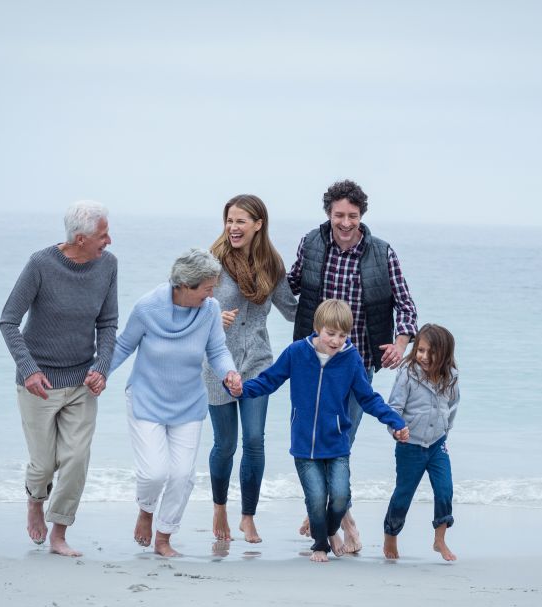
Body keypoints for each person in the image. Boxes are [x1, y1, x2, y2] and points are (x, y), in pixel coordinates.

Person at [287, 179, 418, 551]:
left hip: (357, 364)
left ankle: (332, 518)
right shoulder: (312, 243)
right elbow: (291, 284)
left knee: (341, 442)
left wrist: (400, 343)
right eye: (338, 215)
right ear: (328, 214)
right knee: (319, 441)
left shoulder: (382, 253)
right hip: (313, 364)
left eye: (353, 216)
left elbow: (406, 306)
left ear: (362, 216)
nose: (345, 223)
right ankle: (334, 521)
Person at [227, 299, 409, 562]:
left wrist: (395, 421)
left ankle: (328, 529)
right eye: (330, 334)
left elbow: (368, 398)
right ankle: (320, 545)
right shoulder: (297, 353)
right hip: (304, 444)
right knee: (315, 498)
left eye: (343, 335)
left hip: (336, 444)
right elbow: (269, 380)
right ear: (317, 328)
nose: (336, 341)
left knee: (339, 497)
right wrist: (242, 389)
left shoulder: (351, 359)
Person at [0, 200, 118, 557]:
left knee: (77, 459)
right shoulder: (40, 265)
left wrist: (102, 367)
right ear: (80, 239)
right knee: (43, 463)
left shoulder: (108, 266)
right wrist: (29, 369)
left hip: (82, 381)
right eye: (102, 234)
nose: (109, 240)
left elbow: (108, 323)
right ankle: (36, 500)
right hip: (38, 383)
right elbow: (8, 321)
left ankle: (59, 532)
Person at [109, 248, 241, 557]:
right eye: (207, 288)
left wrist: (230, 373)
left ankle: (164, 537)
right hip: (146, 398)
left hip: (188, 403)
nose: (212, 294)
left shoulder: (209, 310)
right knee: (154, 473)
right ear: (185, 286)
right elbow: (124, 345)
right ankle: (146, 510)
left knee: (182, 476)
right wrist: (99, 375)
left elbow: (217, 351)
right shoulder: (148, 308)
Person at [203, 194, 297, 544]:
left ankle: (248, 516)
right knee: (225, 445)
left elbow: (291, 310)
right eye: (229, 220)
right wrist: (212, 315)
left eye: (241, 221)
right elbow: (188, 302)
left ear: (258, 224)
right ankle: (218, 507)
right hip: (218, 364)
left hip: (258, 364)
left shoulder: (272, 266)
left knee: (254, 441)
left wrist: (338, 315)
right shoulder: (211, 261)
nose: (233, 227)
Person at [382, 324, 460, 562]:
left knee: (445, 490)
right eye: (420, 350)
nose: (423, 356)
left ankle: (439, 540)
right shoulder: (408, 373)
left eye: (430, 352)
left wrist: (445, 430)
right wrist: (397, 430)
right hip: (410, 445)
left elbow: (453, 406)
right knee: (404, 493)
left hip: (437, 444)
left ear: (444, 355)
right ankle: (391, 535)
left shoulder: (451, 377)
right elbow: (393, 408)